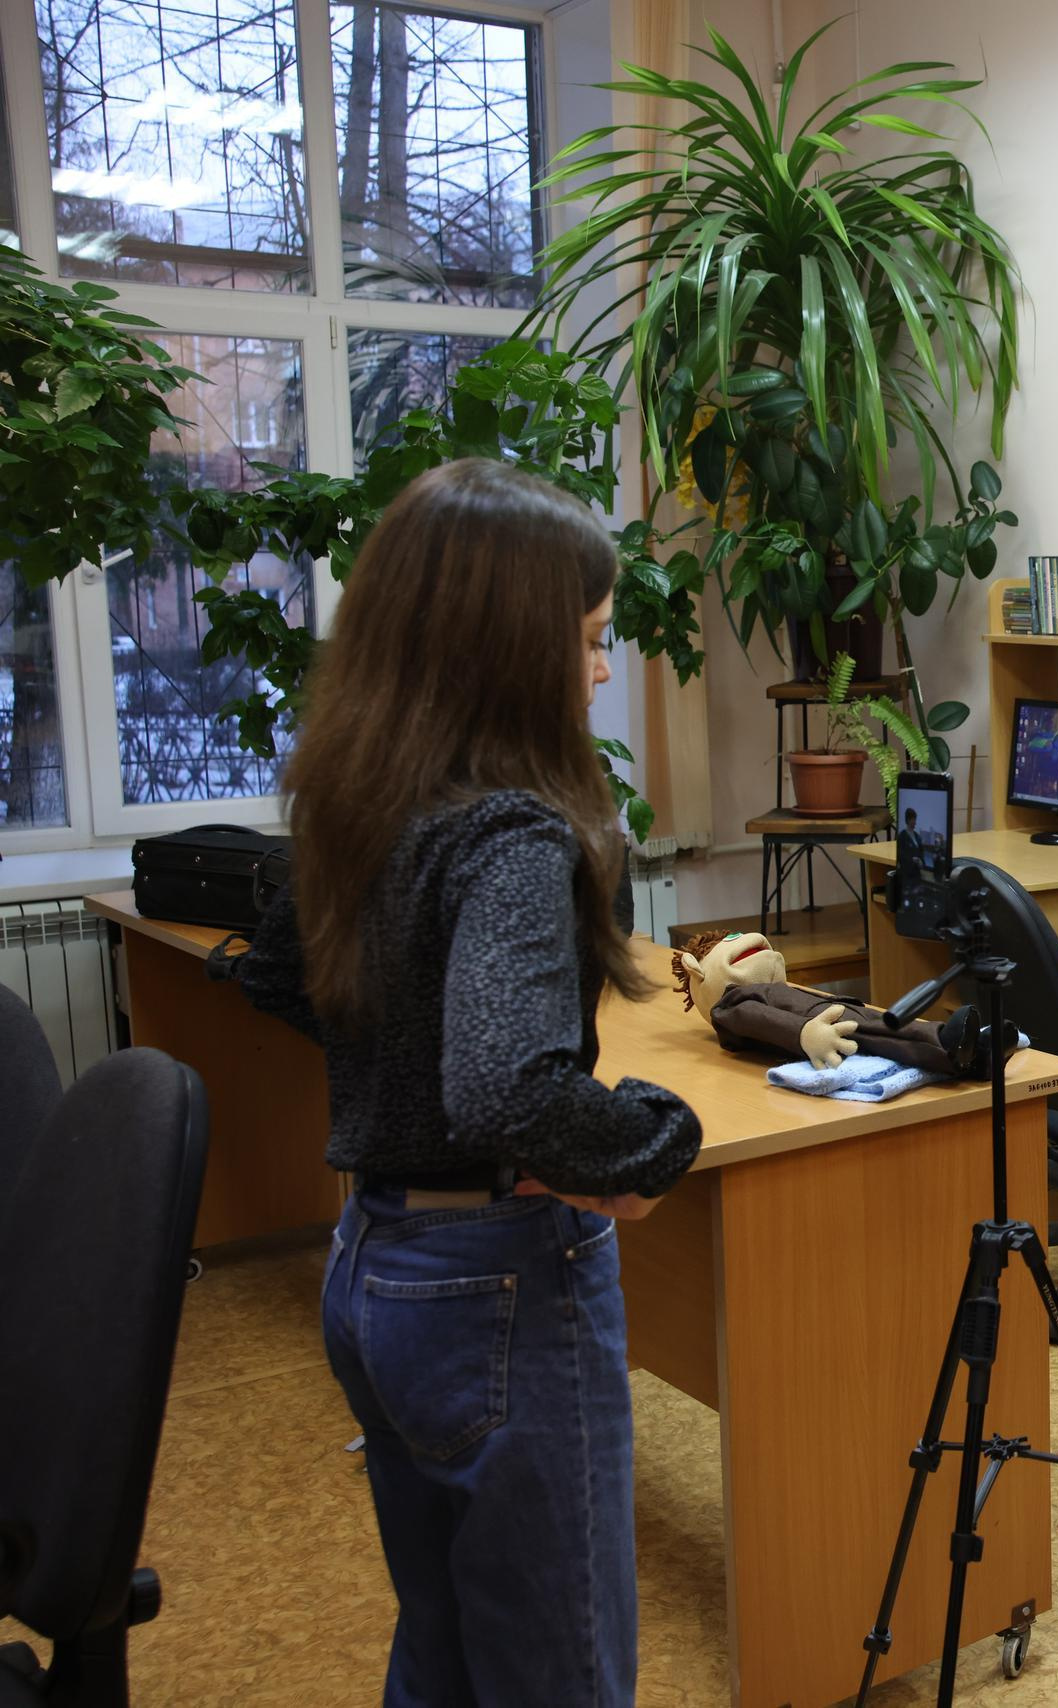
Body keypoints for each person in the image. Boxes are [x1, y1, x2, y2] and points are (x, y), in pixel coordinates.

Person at [236, 458, 703, 1706]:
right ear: (508, 646)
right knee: (561, 1672)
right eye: (593, 641)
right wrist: (651, 1142)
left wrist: (405, 1078)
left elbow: (281, 974)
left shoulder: (363, 794)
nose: (602, 673)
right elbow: (507, 1087)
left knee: (442, 1654)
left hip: (375, 1265)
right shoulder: (512, 829)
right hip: (496, 1285)